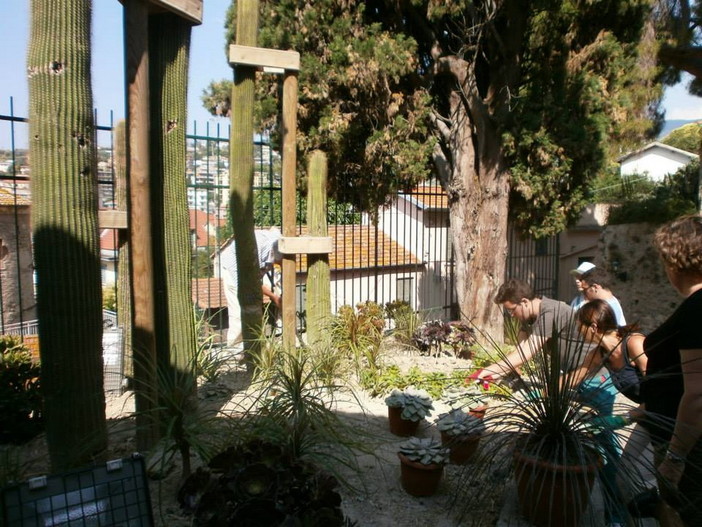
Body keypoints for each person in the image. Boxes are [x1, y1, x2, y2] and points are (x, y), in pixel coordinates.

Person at [640, 213, 702, 525]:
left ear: (675, 261)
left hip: (691, 454)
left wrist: (675, 459)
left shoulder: (698, 308)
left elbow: (698, 394)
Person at [221, 228, 283, 347]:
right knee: (239, 312)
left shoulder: (277, 243)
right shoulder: (258, 250)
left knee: (255, 307)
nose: (279, 265)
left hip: (253, 266)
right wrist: (274, 297)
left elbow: (275, 229)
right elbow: (251, 282)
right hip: (234, 269)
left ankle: (253, 346)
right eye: (279, 262)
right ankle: (235, 351)